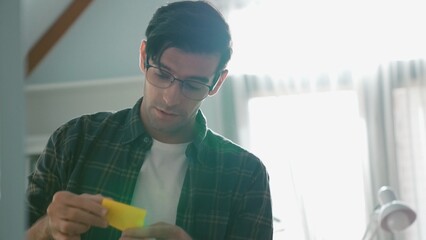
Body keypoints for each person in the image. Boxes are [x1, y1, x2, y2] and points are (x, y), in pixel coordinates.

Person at [26, 1, 273, 239]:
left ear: (217, 82)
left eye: (194, 84)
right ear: (144, 56)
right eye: (163, 74)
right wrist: (47, 229)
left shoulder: (246, 175)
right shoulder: (74, 139)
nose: (170, 98)